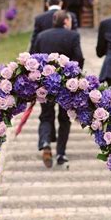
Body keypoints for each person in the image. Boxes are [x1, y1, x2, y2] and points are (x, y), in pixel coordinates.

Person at [31, 10, 84, 169]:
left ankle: (46, 142)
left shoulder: (42, 36)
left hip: (45, 84)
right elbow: (79, 58)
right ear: (66, 21)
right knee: (64, 118)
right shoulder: (73, 36)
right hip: (66, 86)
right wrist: (75, 78)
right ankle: (61, 154)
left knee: (46, 116)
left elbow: (33, 58)